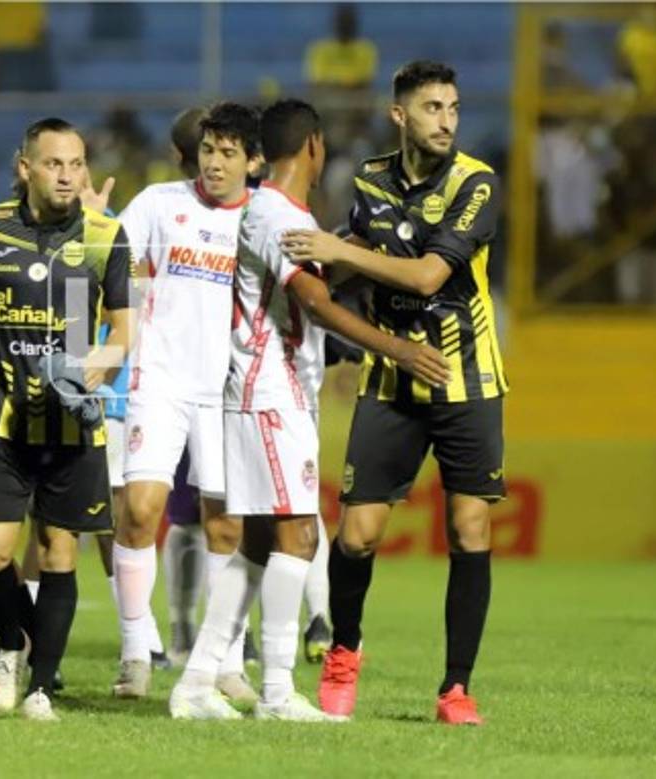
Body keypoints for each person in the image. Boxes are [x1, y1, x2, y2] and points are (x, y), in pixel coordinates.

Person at [169, 98, 449, 722]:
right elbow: (317, 303)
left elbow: (312, 286)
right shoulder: (276, 214)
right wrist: (398, 349)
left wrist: (353, 252)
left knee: (258, 545)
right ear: (315, 146)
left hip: (270, 390)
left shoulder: (279, 213)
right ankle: (276, 691)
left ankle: (196, 682)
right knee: (300, 536)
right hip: (270, 392)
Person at [281, 60, 507, 726]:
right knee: (356, 535)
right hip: (390, 378)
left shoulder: (476, 182)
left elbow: (429, 276)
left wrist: (337, 250)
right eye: (433, 108)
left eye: (454, 108)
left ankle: (456, 688)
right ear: (400, 115)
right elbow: (355, 260)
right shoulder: (370, 180)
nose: (447, 121)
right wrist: (313, 276)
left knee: (469, 528)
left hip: (467, 378)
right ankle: (343, 652)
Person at [0, 117, 133, 721]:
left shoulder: (106, 236)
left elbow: (124, 329)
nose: (67, 176)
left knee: (59, 552)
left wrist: (98, 366)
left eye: (76, 164)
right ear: (25, 167)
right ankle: (13, 644)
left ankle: (40, 688)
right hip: (2, 420)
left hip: (72, 422)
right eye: (54, 164)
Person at [109, 102, 261, 704]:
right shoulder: (157, 203)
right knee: (141, 510)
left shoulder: (263, 219)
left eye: (228, 153)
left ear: (253, 161)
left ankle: (226, 662)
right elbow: (105, 263)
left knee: (226, 524)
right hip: (161, 382)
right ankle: (134, 651)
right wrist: (87, 352)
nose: (215, 163)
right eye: (208, 151)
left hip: (229, 391)